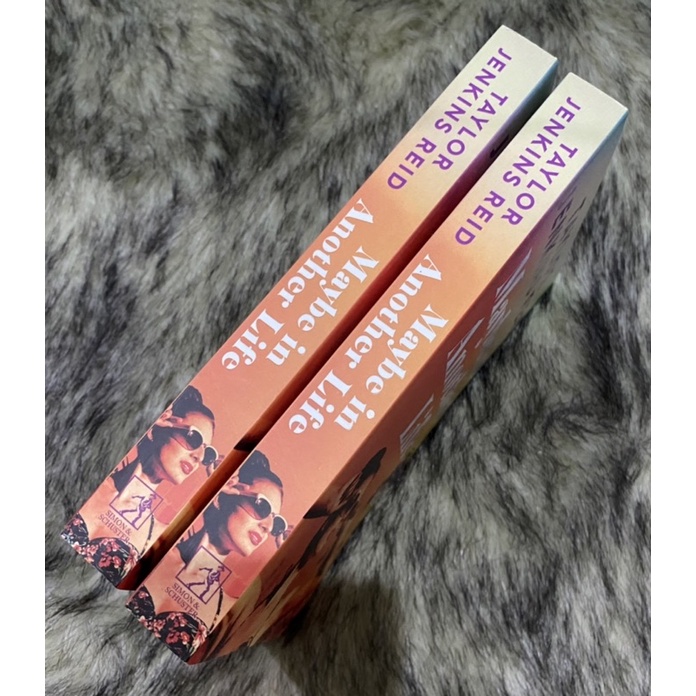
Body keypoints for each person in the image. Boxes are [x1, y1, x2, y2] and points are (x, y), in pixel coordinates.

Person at [128, 450, 286, 661]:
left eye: (276, 523)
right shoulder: (153, 543)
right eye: (261, 507)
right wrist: (215, 488)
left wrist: (284, 565)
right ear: (224, 496)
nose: (267, 526)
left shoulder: (231, 607)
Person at [62, 385, 217, 586]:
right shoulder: (89, 474)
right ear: (159, 426)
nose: (199, 456)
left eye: (208, 453)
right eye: (193, 438)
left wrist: (217, 496)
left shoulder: (159, 537)